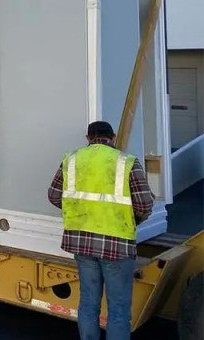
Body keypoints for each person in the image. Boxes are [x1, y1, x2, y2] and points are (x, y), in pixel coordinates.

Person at [48, 121, 155, 340]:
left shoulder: (71, 160)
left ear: (88, 138)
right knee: (118, 309)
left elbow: (54, 195)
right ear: (113, 137)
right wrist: (131, 220)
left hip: (82, 243)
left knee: (88, 302)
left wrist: (80, 211)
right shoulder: (127, 162)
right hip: (117, 244)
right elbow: (144, 204)